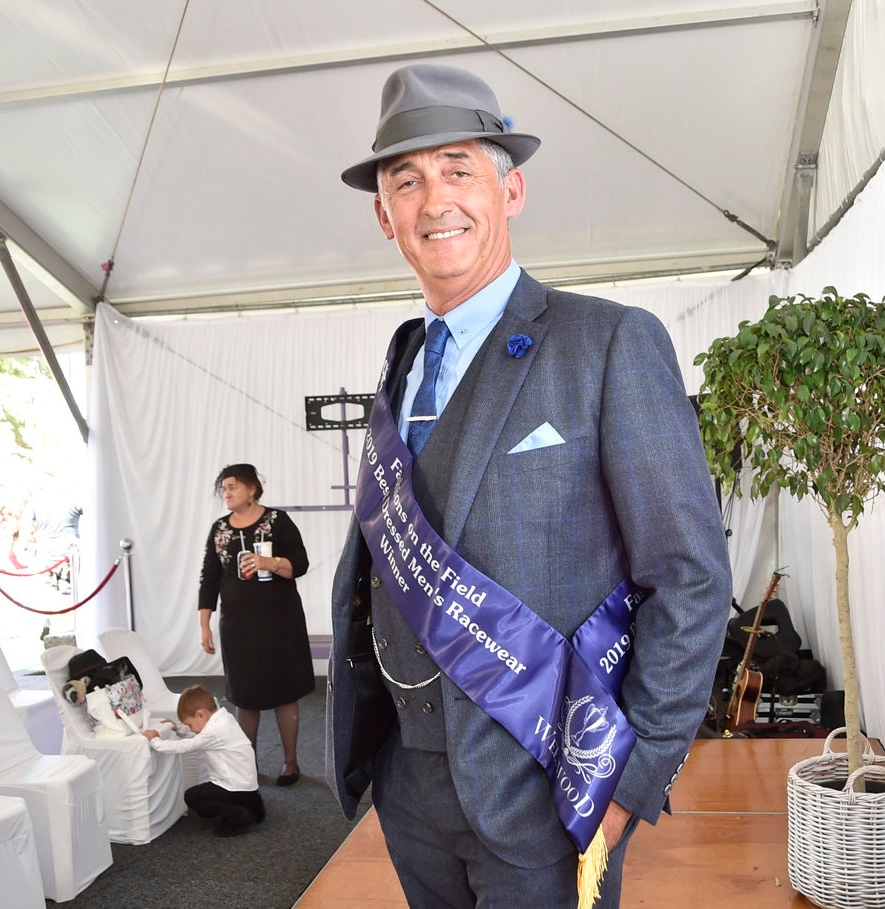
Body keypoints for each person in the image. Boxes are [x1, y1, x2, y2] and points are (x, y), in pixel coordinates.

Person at [326, 64, 732, 908]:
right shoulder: (401, 365)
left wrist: (629, 782)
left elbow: (688, 576)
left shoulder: (609, 343)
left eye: (458, 169)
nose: (435, 199)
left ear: (511, 190)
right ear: (384, 214)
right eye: (408, 180)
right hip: (409, 791)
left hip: (550, 792)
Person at [197, 463, 313, 786]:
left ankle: (291, 763)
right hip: (238, 628)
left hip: (280, 623)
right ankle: (247, 764)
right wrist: (204, 624)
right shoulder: (219, 530)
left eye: (233, 486)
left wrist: (269, 562)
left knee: (284, 692)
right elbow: (208, 579)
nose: (227, 493)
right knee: (245, 696)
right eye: (224, 489)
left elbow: (300, 564)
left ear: (252, 489)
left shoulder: (278, 522)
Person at [143, 685, 265, 837]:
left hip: (233, 786)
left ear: (200, 714)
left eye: (189, 724)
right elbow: (199, 735)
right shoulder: (224, 718)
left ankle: (238, 817)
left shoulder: (213, 731)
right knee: (215, 792)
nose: (191, 729)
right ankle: (253, 804)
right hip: (248, 785)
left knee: (192, 797)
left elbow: (184, 746)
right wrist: (179, 729)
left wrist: (154, 740)